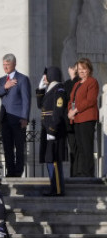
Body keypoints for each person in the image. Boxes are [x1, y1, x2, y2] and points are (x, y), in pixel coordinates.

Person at [0, 54, 31, 178]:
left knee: (19, 147)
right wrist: (5, 87)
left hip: (18, 119)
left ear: (14, 64)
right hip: (4, 119)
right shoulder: (2, 80)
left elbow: (26, 100)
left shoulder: (22, 79)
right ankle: (10, 171)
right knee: (7, 147)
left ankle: (18, 172)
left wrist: (25, 117)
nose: (5, 67)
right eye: (4, 64)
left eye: (8, 65)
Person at [39, 66, 68, 196]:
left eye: (46, 75)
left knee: (54, 160)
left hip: (53, 130)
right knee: (49, 159)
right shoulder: (50, 89)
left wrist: (52, 129)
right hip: (47, 129)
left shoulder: (59, 89)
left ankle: (57, 189)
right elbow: (40, 105)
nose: (44, 78)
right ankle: (53, 187)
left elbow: (58, 111)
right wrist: (40, 89)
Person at [67, 58, 99, 177]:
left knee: (87, 146)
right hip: (77, 118)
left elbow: (90, 100)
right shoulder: (76, 84)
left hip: (87, 118)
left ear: (89, 70)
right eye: (79, 69)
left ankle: (88, 172)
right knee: (79, 146)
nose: (81, 71)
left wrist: (75, 109)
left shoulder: (92, 82)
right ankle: (80, 171)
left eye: (84, 69)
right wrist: (70, 110)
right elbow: (71, 99)